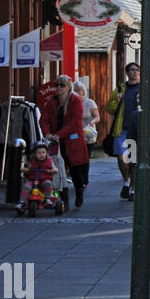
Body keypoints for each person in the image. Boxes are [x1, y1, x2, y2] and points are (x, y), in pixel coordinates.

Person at [41, 74, 90, 208]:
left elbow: (75, 123)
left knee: (75, 170)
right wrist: (47, 133)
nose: (58, 88)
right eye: (57, 85)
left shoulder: (75, 101)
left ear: (68, 87)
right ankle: (64, 200)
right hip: (57, 142)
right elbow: (43, 119)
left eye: (62, 85)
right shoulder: (52, 102)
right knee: (59, 170)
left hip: (73, 141)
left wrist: (59, 134)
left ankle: (79, 194)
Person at [105, 62, 142, 201]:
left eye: (137, 70)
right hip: (122, 128)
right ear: (127, 73)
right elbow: (110, 108)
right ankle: (126, 181)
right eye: (132, 70)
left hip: (135, 129)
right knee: (122, 157)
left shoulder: (142, 88)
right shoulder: (121, 88)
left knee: (132, 160)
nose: (135, 72)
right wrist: (117, 100)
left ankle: (132, 187)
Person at [17, 143, 56, 212]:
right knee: (26, 186)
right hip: (32, 180)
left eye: (43, 152)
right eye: (39, 153)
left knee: (48, 183)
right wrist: (24, 169)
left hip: (43, 181)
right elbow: (27, 168)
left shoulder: (49, 161)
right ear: (35, 154)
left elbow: (55, 168)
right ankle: (22, 202)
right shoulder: (32, 162)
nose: (41, 155)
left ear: (46, 153)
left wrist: (54, 170)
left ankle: (47, 199)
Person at [73, 81, 99, 146]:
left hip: (88, 133)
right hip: (75, 134)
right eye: (74, 90)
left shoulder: (90, 103)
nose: (76, 92)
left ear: (83, 91)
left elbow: (97, 117)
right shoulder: (71, 104)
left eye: (78, 90)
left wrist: (92, 122)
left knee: (87, 154)